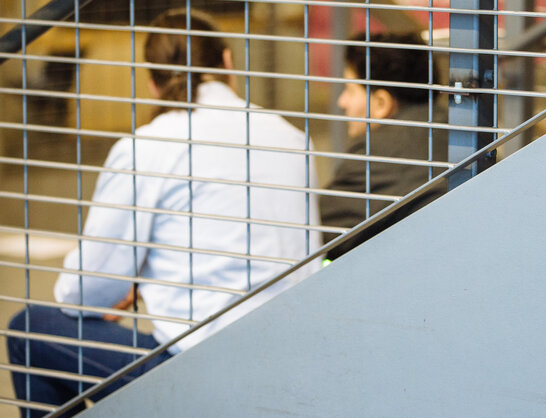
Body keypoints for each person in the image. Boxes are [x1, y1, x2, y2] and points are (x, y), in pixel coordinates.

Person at [6, 9, 321, 416]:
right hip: (290, 363)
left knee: (29, 328)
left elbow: (81, 292)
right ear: (227, 61)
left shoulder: (148, 147)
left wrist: (135, 279)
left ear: (153, 83)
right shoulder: (295, 139)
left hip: (199, 375)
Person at [320, 32, 448, 261]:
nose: (342, 102)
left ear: (381, 103)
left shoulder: (376, 156)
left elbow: (316, 239)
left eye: (349, 90)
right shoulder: (461, 134)